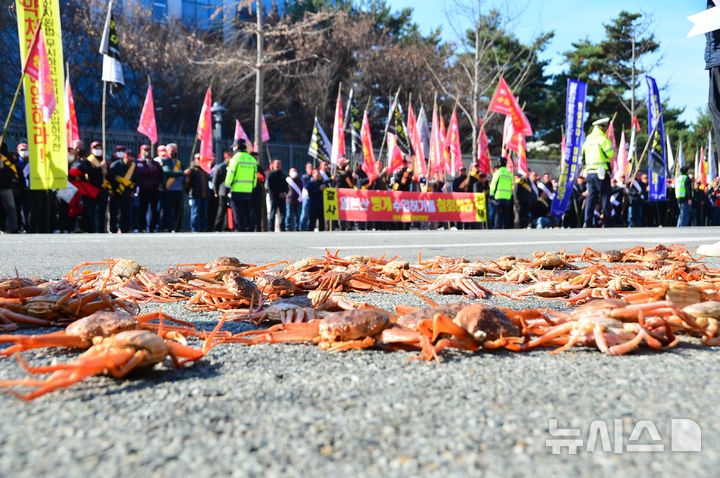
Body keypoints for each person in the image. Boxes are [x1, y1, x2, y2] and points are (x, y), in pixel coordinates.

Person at [580, 118, 614, 227]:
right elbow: (610, 154)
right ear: (602, 127)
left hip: (589, 172)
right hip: (601, 172)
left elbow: (582, 157)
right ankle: (607, 221)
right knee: (604, 196)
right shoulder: (603, 139)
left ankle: (587, 221)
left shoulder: (587, 140)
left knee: (591, 197)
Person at [225, 141, 257, 232]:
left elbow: (231, 173)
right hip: (248, 189)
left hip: (236, 189)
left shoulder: (235, 159)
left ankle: (240, 228)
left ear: (237, 147)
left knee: (237, 211)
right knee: (247, 210)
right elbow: (254, 176)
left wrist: (227, 186)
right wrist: (252, 186)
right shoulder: (252, 159)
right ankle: (249, 227)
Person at [108, 149, 137, 233]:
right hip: (116, 192)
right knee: (114, 212)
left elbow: (136, 179)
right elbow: (110, 178)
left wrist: (133, 190)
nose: (130, 159)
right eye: (129, 157)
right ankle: (113, 228)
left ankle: (125, 228)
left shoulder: (134, 167)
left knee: (126, 212)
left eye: (132, 158)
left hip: (127, 192)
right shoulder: (115, 165)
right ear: (125, 157)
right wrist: (111, 191)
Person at [161, 143, 184, 232]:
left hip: (179, 190)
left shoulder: (179, 163)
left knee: (179, 211)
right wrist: (182, 173)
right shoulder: (165, 161)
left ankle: (178, 227)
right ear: (167, 151)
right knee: (168, 210)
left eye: (175, 150)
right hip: (169, 190)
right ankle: (168, 227)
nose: (174, 152)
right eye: (172, 150)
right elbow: (168, 172)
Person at [184, 154, 210, 232]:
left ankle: (202, 229)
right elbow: (187, 184)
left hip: (204, 195)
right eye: (198, 159)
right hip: (195, 195)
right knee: (195, 213)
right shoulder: (191, 170)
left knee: (203, 214)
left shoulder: (205, 170)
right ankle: (194, 229)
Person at [0, 142, 19, 233]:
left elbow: (13, 171)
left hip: (6, 187)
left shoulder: (8, 157)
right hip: (6, 187)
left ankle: (12, 228)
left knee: (11, 208)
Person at [489, 159, 513, 229]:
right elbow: (511, 186)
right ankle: (506, 228)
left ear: (499, 163)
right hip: (507, 197)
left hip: (498, 196)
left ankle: (497, 228)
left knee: (498, 214)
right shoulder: (509, 173)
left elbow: (493, 184)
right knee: (506, 214)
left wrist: (491, 194)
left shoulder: (498, 172)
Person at [265, 159, 288, 232]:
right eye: (276, 164)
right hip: (274, 197)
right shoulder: (271, 175)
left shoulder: (283, 175)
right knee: (272, 213)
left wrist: (284, 193)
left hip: (282, 197)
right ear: (273, 165)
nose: (278, 165)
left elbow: (286, 186)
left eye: (279, 164)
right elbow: (270, 186)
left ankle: (282, 228)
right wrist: (278, 193)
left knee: (283, 213)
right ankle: (271, 229)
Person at [212, 150, 231, 232]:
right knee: (222, 210)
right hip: (223, 191)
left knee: (228, 210)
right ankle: (218, 227)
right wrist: (215, 191)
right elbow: (215, 180)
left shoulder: (230, 166)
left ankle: (226, 226)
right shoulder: (221, 167)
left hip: (228, 191)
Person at [285, 167, 303, 231]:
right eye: (292, 171)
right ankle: (288, 227)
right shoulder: (287, 180)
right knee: (289, 214)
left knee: (298, 215)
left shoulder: (299, 180)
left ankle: (297, 227)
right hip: (290, 200)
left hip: (298, 200)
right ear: (289, 173)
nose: (294, 172)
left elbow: (301, 189)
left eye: (295, 171)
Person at [299, 162, 313, 231]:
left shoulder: (313, 177)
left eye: (312, 168)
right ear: (306, 169)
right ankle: (302, 227)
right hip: (306, 197)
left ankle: (309, 227)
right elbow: (305, 186)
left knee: (310, 213)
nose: (311, 170)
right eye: (310, 168)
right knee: (304, 213)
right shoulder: (304, 177)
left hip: (313, 197)